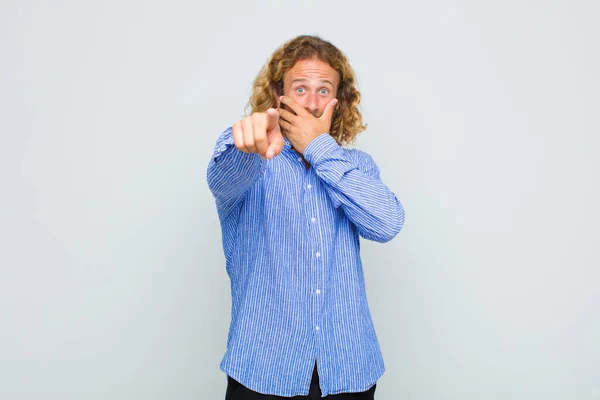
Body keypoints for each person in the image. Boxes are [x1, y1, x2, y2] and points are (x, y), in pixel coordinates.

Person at [207, 35, 405, 399]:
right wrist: (246, 144)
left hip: (349, 369)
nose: (312, 103)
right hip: (262, 370)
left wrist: (318, 148)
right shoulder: (250, 157)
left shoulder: (356, 166)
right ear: (277, 95)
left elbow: (387, 223)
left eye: (323, 90)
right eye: (300, 88)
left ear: (338, 100)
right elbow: (222, 178)